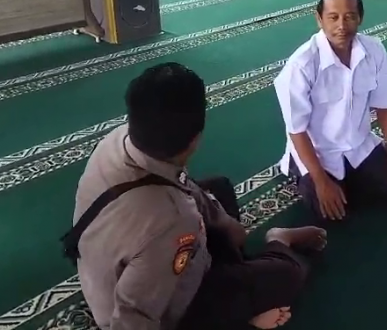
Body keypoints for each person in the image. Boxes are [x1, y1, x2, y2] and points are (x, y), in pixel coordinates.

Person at [66, 62, 327, 330]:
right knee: (287, 276)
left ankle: (235, 269)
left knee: (219, 189)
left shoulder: (119, 138)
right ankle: (278, 240)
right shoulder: (174, 219)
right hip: (146, 305)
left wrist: (225, 223)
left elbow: (181, 185)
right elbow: (131, 321)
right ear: (196, 139)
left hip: (126, 257)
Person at [273, 0, 387, 222]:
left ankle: (352, 179)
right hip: (318, 154)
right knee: (329, 211)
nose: (342, 25)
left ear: (360, 17)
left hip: (358, 146)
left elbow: (386, 108)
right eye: (333, 17)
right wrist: (321, 181)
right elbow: (296, 130)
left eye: (349, 17)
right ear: (319, 18)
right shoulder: (302, 64)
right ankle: (304, 176)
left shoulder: (374, 51)